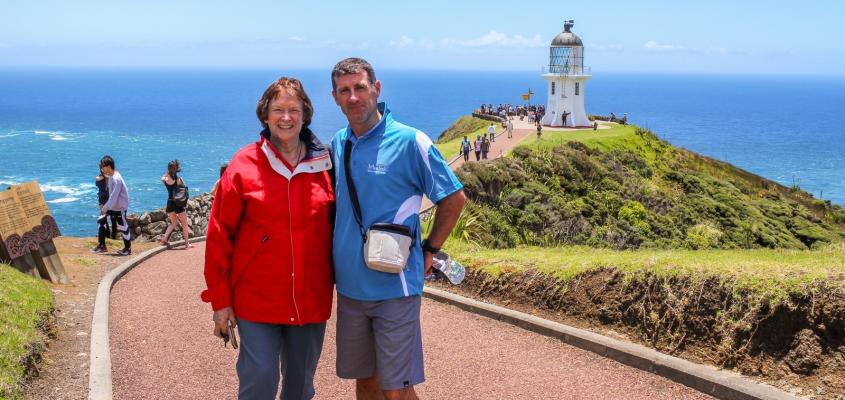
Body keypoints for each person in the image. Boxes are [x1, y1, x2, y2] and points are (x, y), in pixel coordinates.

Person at [330, 57, 465, 400]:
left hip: (396, 287)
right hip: (349, 288)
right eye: (344, 90)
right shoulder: (337, 143)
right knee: (366, 382)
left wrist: (430, 249)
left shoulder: (410, 141)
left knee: (396, 388)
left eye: (360, 87)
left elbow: (453, 198)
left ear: (376, 89)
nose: (354, 97)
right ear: (335, 97)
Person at [202, 77, 335, 400]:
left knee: (299, 388)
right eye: (278, 109)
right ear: (265, 115)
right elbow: (219, 236)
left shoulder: (327, 164)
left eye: (293, 109)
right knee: (259, 381)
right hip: (256, 300)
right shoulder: (243, 165)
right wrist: (221, 302)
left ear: (306, 115)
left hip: (310, 299)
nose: (286, 117)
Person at [97, 156, 131, 256]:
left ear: (108, 166)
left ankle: (127, 249)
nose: (102, 168)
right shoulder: (113, 175)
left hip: (119, 207)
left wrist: (105, 208)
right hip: (114, 206)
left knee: (123, 227)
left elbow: (113, 197)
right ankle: (102, 245)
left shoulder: (116, 179)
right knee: (101, 220)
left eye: (103, 166)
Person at [160, 160, 194, 249]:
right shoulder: (179, 179)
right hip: (178, 203)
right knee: (184, 224)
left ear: (168, 169)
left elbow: (162, 177)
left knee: (173, 223)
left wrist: (167, 173)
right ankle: (187, 244)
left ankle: (164, 239)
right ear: (177, 169)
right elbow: (184, 190)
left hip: (170, 202)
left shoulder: (166, 179)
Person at [91, 170, 111, 253]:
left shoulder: (109, 180)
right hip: (103, 202)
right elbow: (97, 179)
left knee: (102, 222)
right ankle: (103, 244)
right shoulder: (101, 179)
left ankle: (102, 245)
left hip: (106, 202)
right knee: (103, 222)